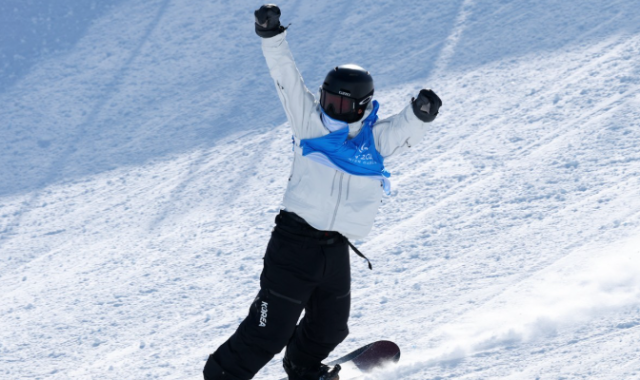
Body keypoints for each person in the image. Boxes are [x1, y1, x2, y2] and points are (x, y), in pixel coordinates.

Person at [203, 4, 442, 380]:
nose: (332, 109)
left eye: (343, 105)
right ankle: (223, 376)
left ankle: (302, 367)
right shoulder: (309, 123)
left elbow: (402, 131)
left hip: (335, 247)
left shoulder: (372, 142)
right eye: (329, 100)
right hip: (294, 243)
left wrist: (420, 115)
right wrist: (271, 35)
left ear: (362, 107)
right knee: (270, 330)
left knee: (331, 326)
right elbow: (285, 77)